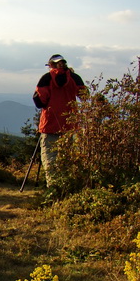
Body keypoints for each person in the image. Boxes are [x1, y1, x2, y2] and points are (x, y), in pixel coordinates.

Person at [33, 54, 86, 187]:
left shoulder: (46, 79)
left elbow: (40, 101)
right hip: (69, 124)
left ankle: (54, 188)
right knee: (67, 158)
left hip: (49, 124)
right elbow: (85, 96)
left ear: (51, 65)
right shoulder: (75, 78)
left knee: (50, 157)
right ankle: (67, 187)